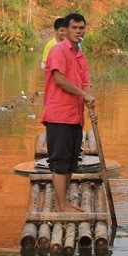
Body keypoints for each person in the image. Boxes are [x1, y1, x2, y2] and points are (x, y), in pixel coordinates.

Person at [42, 13, 96, 213]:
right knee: (60, 161)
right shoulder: (58, 50)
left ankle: (62, 202)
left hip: (76, 116)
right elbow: (59, 79)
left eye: (82, 28)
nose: (78, 32)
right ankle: (61, 205)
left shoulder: (81, 56)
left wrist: (90, 106)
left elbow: (86, 83)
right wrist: (84, 94)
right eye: (74, 28)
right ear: (66, 30)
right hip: (59, 114)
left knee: (72, 161)